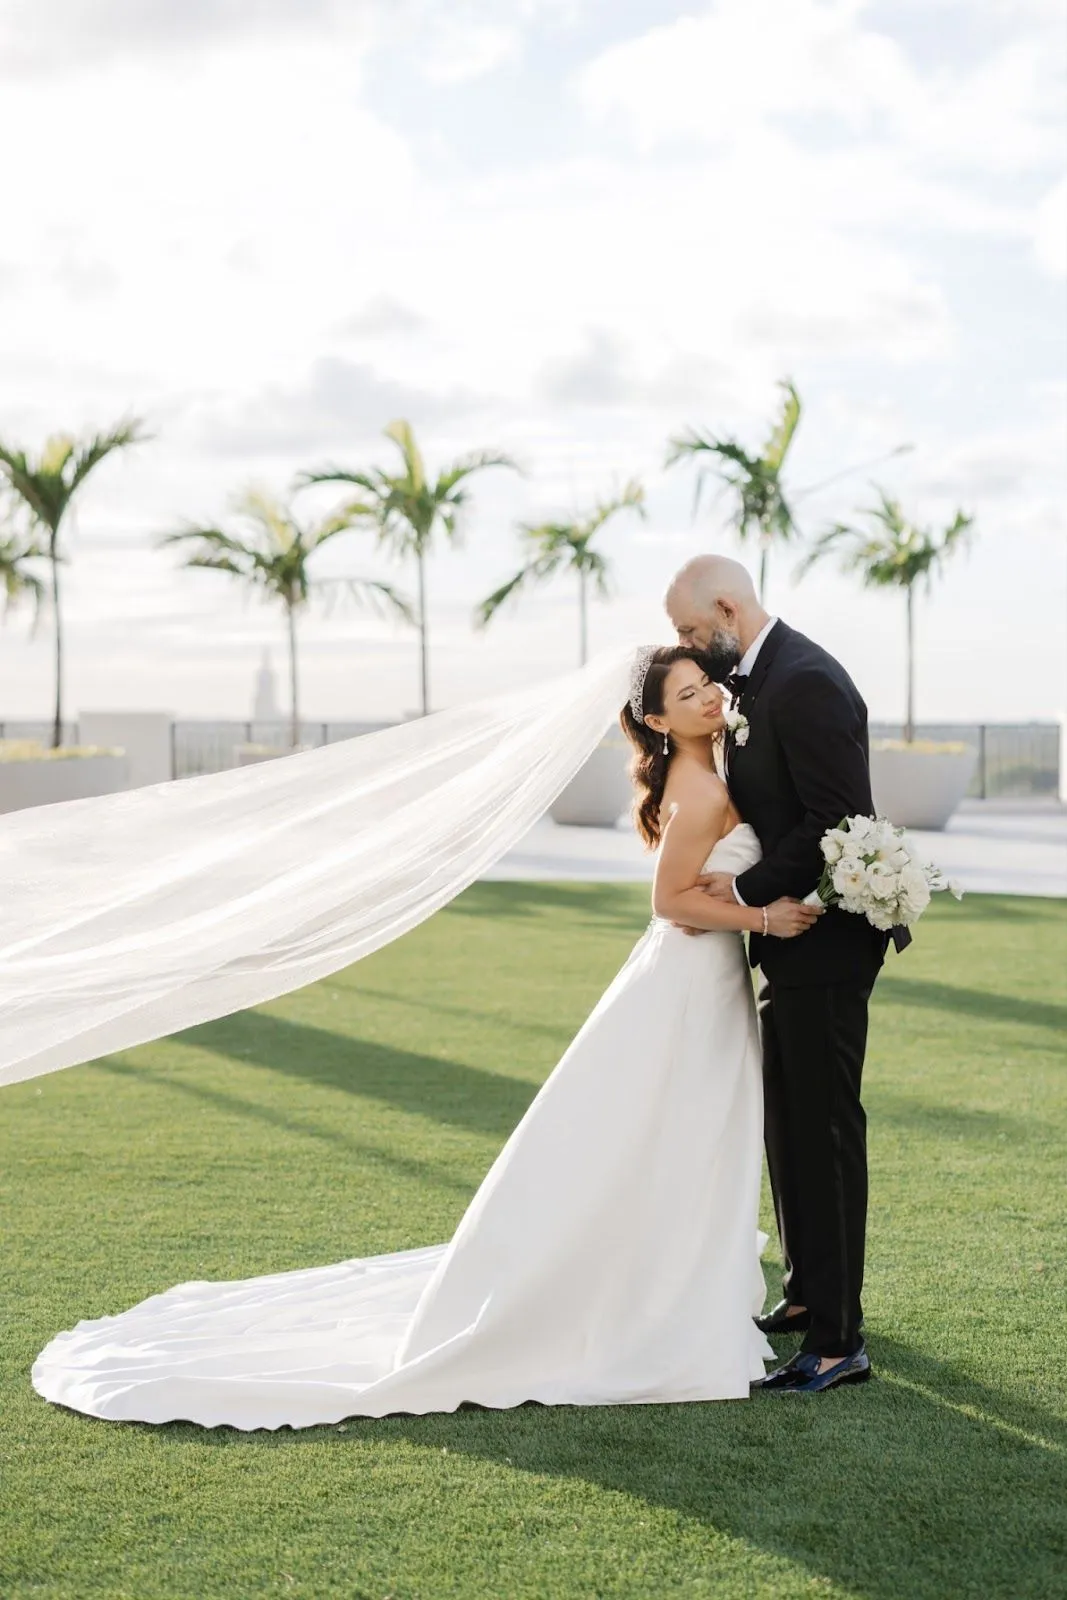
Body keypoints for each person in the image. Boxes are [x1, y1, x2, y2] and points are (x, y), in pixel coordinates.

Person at [32, 647, 818, 1429]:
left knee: (678, 1134)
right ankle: (652, 1293)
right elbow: (668, 902)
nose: (709, 698)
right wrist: (763, 916)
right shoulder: (697, 788)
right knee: (674, 1131)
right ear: (657, 719)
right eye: (687, 693)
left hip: (698, 980)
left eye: (707, 685)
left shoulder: (703, 775)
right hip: (687, 978)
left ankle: (670, 1276)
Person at [666, 554, 909, 1395]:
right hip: (787, 942)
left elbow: (834, 818)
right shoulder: (758, 682)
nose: (691, 649)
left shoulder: (804, 680)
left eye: (694, 632)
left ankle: (840, 1342)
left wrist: (738, 892)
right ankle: (808, 1296)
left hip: (827, 944)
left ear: (728, 607)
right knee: (788, 1127)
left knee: (824, 1133)